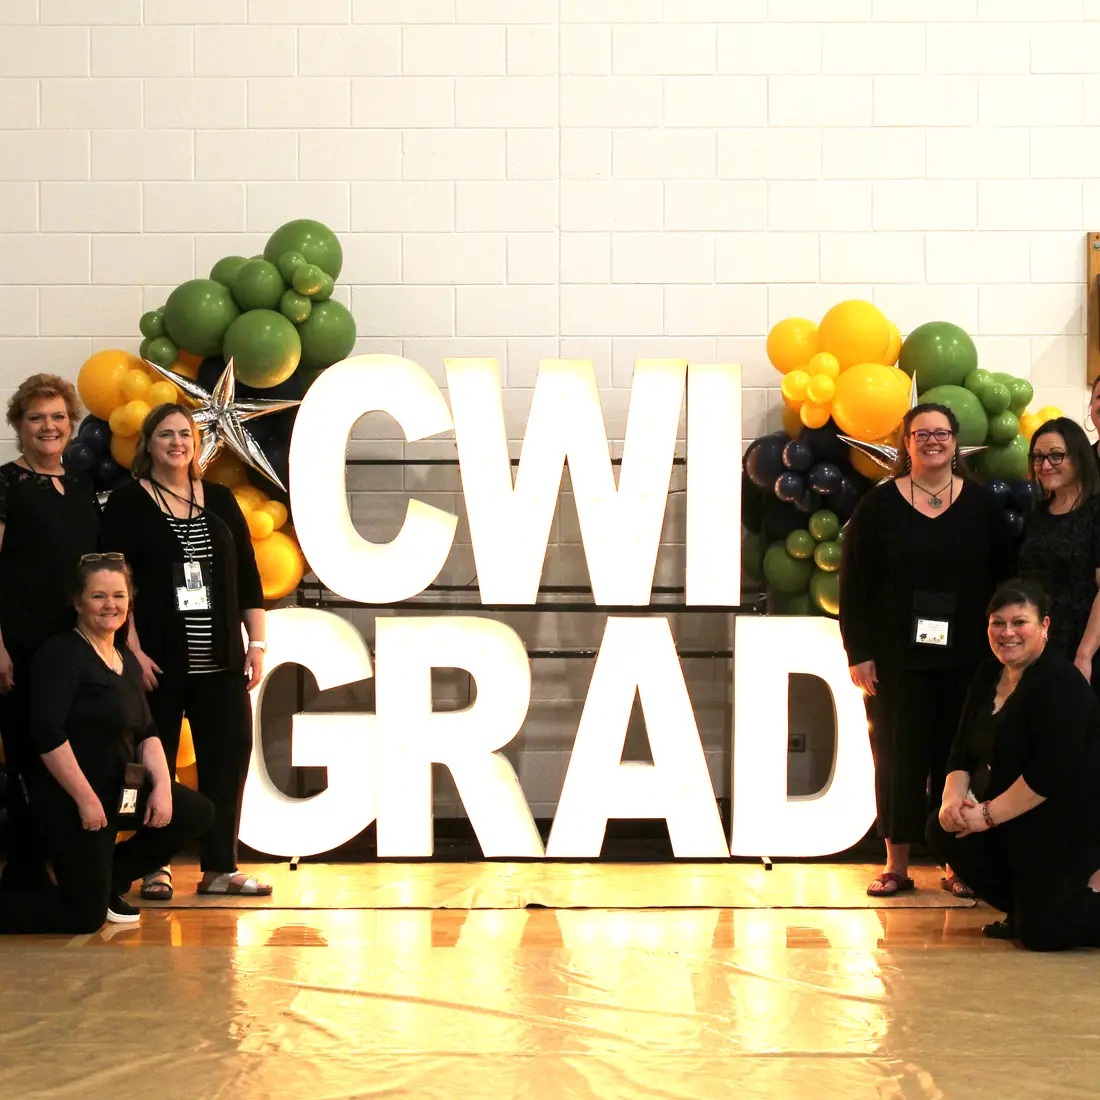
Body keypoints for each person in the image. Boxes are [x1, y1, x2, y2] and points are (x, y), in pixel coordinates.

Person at [840, 403, 1014, 898]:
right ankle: (896, 864)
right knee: (896, 759)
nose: (932, 441)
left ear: (956, 442)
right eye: (921, 434)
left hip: (970, 661)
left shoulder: (982, 508)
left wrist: (1003, 653)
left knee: (956, 761)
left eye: (941, 433)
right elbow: (855, 585)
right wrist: (859, 650)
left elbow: (1005, 582)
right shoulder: (877, 507)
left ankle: (954, 862)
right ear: (906, 443)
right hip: (895, 662)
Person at [102, 404, 270, 898]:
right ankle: (154, 866)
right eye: (165, 434)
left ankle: (220, 868)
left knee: (229, 756)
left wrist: (256, 642)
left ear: (195, 444)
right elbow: (115, 581)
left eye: (185, 434)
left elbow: (249, 578)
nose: (177, 442)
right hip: (156, 664)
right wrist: (129, 648)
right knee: (154, 765)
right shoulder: (129, 502)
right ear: (148, 444)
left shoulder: (219, 498)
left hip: (220, 662)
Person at [0, 556, 213, 934]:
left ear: (130, 601)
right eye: (98, 596)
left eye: (118, 595)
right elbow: (47, 733)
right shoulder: (60, 655)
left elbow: (147, 731)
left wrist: (163, 788)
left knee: (196, 812)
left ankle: (109, 878)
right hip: (73, 800)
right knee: (85, 918)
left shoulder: (126, 660)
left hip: (119, 793)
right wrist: (85, 799)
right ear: (78, 602)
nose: (110, 605)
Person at [928, 578, 1100, 951]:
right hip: (1015, 817)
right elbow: (961, 751)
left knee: (1044, 936)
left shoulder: (1061, 683)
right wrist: (952, 801)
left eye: (1019, 622)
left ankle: (1045, 911)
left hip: (1064, 822)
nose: (1007, 633)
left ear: (1045, 626)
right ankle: (1025, 909)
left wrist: (986, 815)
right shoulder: (987, 674)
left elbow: (1050, 774)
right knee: (943, 829)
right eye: (998, 623)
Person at [0, 374, 100, 892]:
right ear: (19, 425)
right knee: (27, 755)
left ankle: (70, 867)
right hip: (19, 645)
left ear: (71, 424)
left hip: (75, 649)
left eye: (58, 416)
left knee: (75, 757)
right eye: (37, 417)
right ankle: (25, 874)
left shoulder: (81, 485)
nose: (49, 426)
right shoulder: (6, 483)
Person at [1017, 418, 1100, 692]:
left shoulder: (1096, 510)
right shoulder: (1037, 515)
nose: (1045, 465)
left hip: (1086, 648)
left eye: (1056, 455)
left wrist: (1084, 654)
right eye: (1038, 457)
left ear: (1079, 457)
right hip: (1038, 648)